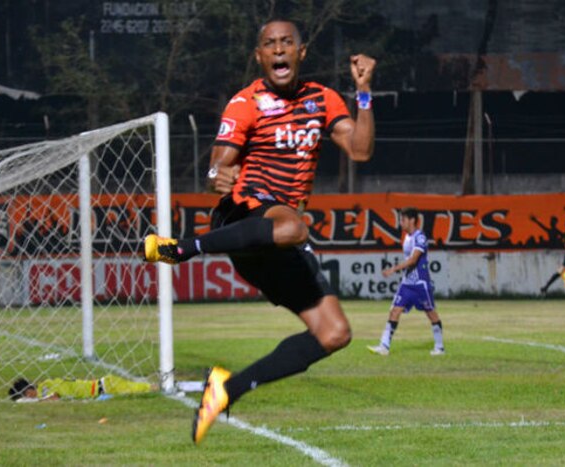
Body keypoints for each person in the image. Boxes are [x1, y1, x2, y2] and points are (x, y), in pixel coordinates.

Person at [142, 19, 376, 444]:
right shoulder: (246, 101)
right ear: (259, 56)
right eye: (270, 44)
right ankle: (182, 248)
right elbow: (220, 160)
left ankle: (225, 391)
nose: (279, 49)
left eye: (287, 43)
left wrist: (363, 93)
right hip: (242, 218)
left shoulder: (322, 99)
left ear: (301, 53)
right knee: (294, 225)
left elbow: (359, 149)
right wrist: (217, 173)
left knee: (334, 332)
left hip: (277, 238)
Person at [367, 207, 444, 357]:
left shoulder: (419, 237)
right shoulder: (407, 237)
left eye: (403, 220)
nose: (400, 223)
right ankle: (384, 346)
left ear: (412, 220)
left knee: (431, 314)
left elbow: (414, 259)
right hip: (407, 284)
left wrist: (393, 269)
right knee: (395, 311)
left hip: (420, 283)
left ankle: (439, 347)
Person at [8, 375, 156, 402]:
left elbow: (55, 398)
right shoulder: (44, 384)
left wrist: (36, 403)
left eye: (25, 397)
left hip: (106, 387)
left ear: (28, 392)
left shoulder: (43, 390)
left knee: (147, 389)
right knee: (142, 390)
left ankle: (169, 386)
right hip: (104, 386)